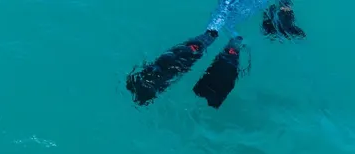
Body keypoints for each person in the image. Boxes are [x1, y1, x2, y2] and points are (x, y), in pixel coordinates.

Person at [125, 0, 305, 108]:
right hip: (238, 20)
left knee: (208, 37)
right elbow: (283, 7)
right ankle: (219, 71)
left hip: (224, 14)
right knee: (233, 42)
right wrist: (282, 18)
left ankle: (149, 81)